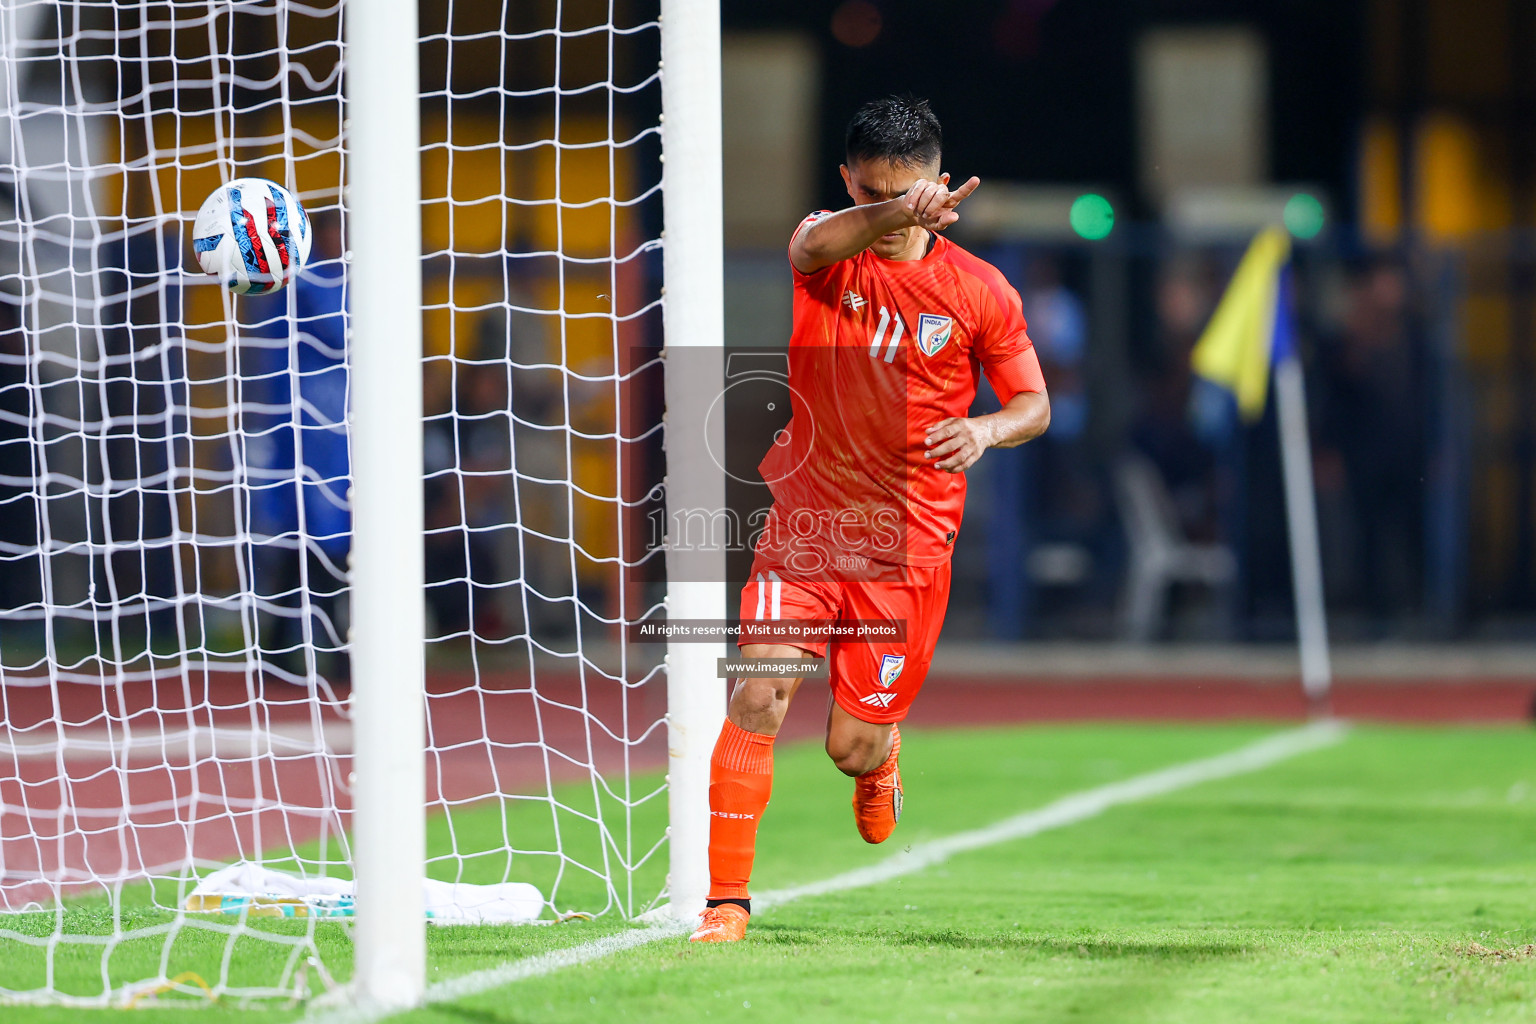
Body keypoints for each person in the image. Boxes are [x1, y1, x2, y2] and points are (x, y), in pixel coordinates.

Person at [689, 96, 1051, 943]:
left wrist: (986, 428)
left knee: (850, 745)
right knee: (757, 693)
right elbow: (814, 243)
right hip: (808, 528)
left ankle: (880, 759)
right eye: (870, 194)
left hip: (910, 548)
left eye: (908, 194)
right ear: (849, 183)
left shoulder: (979, 291)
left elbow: (1034, 403)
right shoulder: (829, 249)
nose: (887, 214)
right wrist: (889, 212)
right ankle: (725, 904)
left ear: (938, 184)